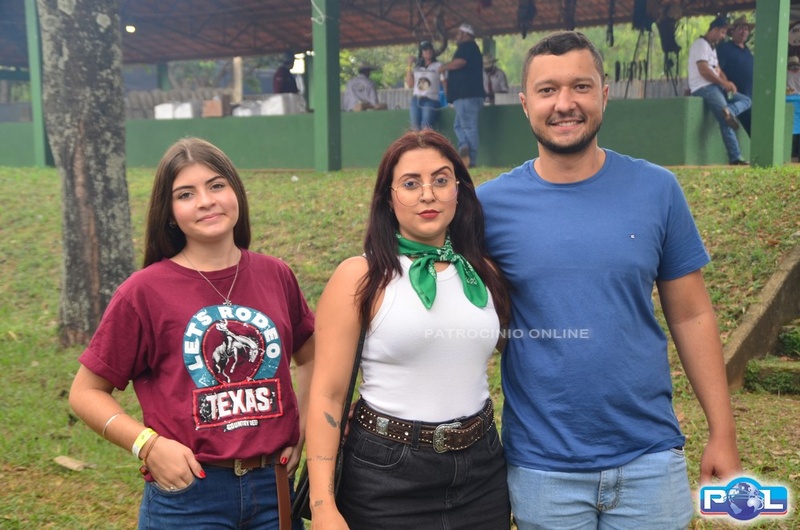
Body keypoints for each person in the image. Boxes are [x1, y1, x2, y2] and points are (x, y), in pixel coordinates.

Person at [476, 31, 741, 529]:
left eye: (580, 86)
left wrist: (722, 433)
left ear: (604, 94)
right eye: (547, 90)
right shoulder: (488, 207)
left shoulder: (657, 189)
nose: (564, 103)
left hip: (649, 458)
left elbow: (692, 314)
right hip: (542, 466)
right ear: (525, 103)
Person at [69, 137, 315, 529]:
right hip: (189, 496)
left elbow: (312, 355)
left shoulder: (276, 274)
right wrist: (147, 445)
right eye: (186, 194)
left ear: (236, 192)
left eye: (216, 185)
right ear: (169, 213)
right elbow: (85, 392)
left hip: (273, 490)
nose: (206, 201)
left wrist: (305, 427)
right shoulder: (143, 292)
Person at [305, 129, 511, 529]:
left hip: (481, 470)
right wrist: (322, 505)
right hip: (388, 475)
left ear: (459, 190)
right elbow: (327, 395)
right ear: (389, 198)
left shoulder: (483, 272)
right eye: (411, 184)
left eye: (441, 180)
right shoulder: (360, 277)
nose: (428, 195)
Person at [688, 15, 752, 165]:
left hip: (716, 86)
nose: (723, 36)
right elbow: (704, 70)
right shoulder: (700, 44)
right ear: (715, 30)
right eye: (723, 32)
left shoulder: (711, 47)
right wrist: (722, 82)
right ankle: (735, 157)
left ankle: (729, 112)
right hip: (704, 87)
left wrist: (726, 83)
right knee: (725, 120)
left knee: (746, 100)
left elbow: (717, 69)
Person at [440, 23, 485, 167]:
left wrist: (445, 67)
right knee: (459, 125)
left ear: (465, 34)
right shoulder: (472, 48)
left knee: (468, 126)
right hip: (465, 95)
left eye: (458, 33)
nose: (456, 36)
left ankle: (471, 160)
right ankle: (464, 147)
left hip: (466, 94)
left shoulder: (467, 47)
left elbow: (460, 62)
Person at [717, 15, 755, 134]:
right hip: (735, 97)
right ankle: (729, 112)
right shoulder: (725, 48)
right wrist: (726, 84)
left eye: (746, 29)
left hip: (750, 98)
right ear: (732, 32)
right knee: (753, 131)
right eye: (740, 28)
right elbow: (717, 69)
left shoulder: (747, 51)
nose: (744, 31)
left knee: (755, 131)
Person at [406, 40, 443, 130]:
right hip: (416, 98)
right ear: (421, 53)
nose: (428, 51)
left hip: (430, 99)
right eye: (425, 50)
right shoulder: (417, 67)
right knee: (414, 127)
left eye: (430, 49)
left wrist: (449, 99)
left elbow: (444, 81)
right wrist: (409, 65)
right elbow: (410, 84)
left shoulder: (438, 65)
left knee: (426, 127)